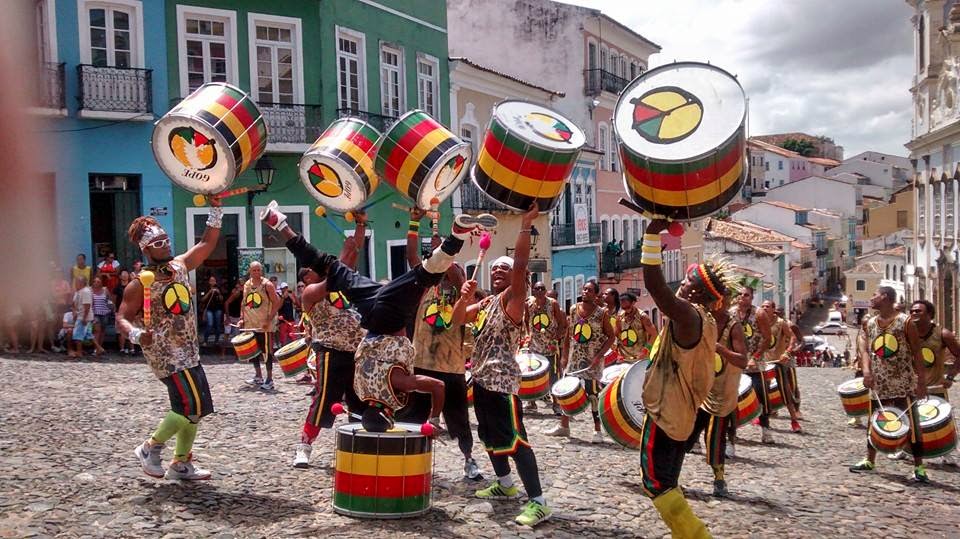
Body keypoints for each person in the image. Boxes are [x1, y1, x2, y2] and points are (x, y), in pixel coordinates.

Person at [265, 202, 494, 434]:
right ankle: (279, 222)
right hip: (369, 308)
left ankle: (456, 236)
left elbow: (437, 386)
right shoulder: (362, 389)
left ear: (387, 414)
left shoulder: (397, 385)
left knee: (425, 274)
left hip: (388, 318)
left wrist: (434, 419)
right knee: (324, 263)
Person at [636, 221, 737, 538]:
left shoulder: (689, 316)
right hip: (680, 415)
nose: (681, 282)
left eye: (687, 279)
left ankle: (695, 535)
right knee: (667, 480)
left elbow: (656, 287)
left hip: (668, 414)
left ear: (695, 291)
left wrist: (652, 235)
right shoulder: (703, 319)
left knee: (656, 482)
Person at [457, 204, 550, 527]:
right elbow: (455, 320)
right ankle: (506, 485)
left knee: (516, 441)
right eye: (494, 268)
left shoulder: (514, 298)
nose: (497, 271)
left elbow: (523, 264)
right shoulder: (486, 302)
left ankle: (539, 501)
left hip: (502, 384)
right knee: (489, 438)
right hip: (481, 381)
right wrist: (464, 297)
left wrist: (525, 225)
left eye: (504, 269)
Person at [118, 202, 222, 480]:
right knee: (190, 406)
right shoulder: (140, 283)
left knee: (195, 411)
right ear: (146, 248)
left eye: (166, 240)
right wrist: (137, 334)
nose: (165, 245)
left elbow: (206, 242)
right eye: (158, 243)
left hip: (189, 351)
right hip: (166, 355)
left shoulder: (180, 266)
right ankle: (150, 447)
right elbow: (122, 318)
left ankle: (180, 464)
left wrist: (215, 210)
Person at [397, 207, 482, 480]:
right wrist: (413, 222)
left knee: (459, 421)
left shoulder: (461, 290)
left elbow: (457, 273)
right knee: (413, 416)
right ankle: (409, 460)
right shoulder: (422, 285)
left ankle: (469, 459)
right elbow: (411, 255)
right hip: (421, 362)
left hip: (453, 366)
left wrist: (447, 255)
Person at [291, 229, 369, 468]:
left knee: (360, 401)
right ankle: (304, 446)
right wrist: (348, 248)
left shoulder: (340, 287)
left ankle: (360, 447)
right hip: (331, 351)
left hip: (357, 351)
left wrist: (359, 227)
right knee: (324, 399)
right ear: (307, 279)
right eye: (313, 271)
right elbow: (343, 265)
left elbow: (350, 259)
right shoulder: (311, 293)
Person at [849, 286, 927, 482]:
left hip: (903, 382)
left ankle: (919, 467)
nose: (871, 298)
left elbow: (917, 352)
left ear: (884, 297)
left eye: (874, 295)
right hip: (878, 382)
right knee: (874, 420)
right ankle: (869, 460)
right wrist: (866, 371)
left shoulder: (905, 322)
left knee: (911, 424)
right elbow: (866, 349)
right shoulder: (872, 323)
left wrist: (921, 382)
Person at [684, 291, 747, 498]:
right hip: (701, 389)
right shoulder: (705, 323)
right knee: (684, 433)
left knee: (714, 436)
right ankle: (669, 475)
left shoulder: (734, 327)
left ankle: (719, 478)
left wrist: (722, 350)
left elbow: (742, 360)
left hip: (722, 393)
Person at [889, 300, 960, 464]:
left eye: (918, 311)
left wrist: (950, 376)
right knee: (907, 419)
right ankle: (905, 449)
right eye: (912, 311)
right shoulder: (905, 334)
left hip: (935, 387)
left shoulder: (943, 334)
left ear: (929, 314)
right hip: (910, 386)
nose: (913, 314)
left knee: (939, 421)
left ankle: (946, 451)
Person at [546, 280, 615, 442]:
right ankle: (564, 426)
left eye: (589, 290)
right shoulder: (573, 309)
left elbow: (611, 337)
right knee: (566, 391)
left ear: (596, 294)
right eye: (584, 289)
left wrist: (599, 356)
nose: (585, 292)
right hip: (574, 358)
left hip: (592, 361)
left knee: (593, 394)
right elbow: (570, 333)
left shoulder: (601, 314)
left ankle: (597, 431)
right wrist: (564, 355)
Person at [731, 286, 774, 446]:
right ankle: (731, 431)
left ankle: (766, 429)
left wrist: (755, 357)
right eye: (740, 294)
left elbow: (767, 338)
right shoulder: (731, 313)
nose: (743, 297)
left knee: (760, 393)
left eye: (747, 295)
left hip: (755, 362)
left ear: (752, 297)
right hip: (736, 361)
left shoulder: (759, 314)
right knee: (732, 396)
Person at [524, 280, 567, 415]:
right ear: (533, 291)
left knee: (553, 375)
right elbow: (526, 321)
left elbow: (561, 323)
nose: (540, 291)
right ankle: (532, 402)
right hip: (534, 345)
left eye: (542, 288)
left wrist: (557, 337)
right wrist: (527, 335)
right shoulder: (529, 304)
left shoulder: (552, 303)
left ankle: (556, 403)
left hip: (550, 346)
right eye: (537, 289)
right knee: (532, 374)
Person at [761, 301, 802, 434]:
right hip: (763, 362)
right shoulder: (759, 322)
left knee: (785, 391)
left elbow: (793, 338)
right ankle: (763, 420)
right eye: (763, 306)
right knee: (763, 392)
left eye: (767, 306)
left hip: (778, 362)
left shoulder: (781, 323)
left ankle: (794, 420)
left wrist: (787, 352)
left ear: (773, 309)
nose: (764, 308)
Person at [240, 261, 281, 390]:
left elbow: (276, 302)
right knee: (253, 350)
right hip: (251, 323)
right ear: (250, 271)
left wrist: (269, 319)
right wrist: (242, 318)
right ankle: (258, 375)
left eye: (259, 270)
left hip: (265, 325)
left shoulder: (267, 285)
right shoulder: (247, 284)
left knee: (267, 351)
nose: (256, 272)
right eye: (254, 270)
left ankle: (270, 379)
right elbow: (244, 302)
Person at [616, 292, 657, 362]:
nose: (625, 309)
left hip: (641, 358)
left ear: (633, 303)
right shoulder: (619, 317)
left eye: (627, 306)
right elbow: (617, 335)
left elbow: (654, 334)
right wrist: (618, 353)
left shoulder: (642, 317)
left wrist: (646, 350)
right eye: (623, 307)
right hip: (625, 358)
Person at [70, 275, 94, 358]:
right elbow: (73, 304)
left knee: (78, 335)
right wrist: (74, 312)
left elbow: (87, 306)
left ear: (82, 283)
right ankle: (99, 348)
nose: (75, 284)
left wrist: (84, 318)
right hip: (79, 315)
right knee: (88, 334)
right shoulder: (78, 292)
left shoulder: (85, 291)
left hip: (84, 316)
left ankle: (79, 352)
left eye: (77, 282)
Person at [113, 271, 134, 355]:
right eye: (123, 274)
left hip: (131, 311)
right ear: (120, 276)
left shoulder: (132, 286)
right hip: (120, 311)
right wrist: (115, 310)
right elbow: (114, 299)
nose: (125, 276)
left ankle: (132, 349)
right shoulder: (117, 288)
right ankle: (122, 349)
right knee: (121, 331)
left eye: (126, 274)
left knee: (131, 329)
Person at [198, 276, 224, 346]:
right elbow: (202, 299)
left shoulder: (219, 288)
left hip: (218, 309)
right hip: (209, 309)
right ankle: (205, 340)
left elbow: (222, 300)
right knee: (210, 324)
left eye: (214, 280)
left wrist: (219, 293)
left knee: (218, 325)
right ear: (208, 282)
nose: (212, 282)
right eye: (211, 280)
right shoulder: (205, 288)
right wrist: (209, 292)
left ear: (216, 281)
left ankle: (216, 341)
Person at [90, 276, 111, 356]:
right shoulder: (91, 291)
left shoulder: (105, 290)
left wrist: (111, 305)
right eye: (95, 281)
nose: (96, 283)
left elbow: (109, 300)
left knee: (102, 331)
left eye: (98, 282)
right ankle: (96, 348)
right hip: (95, 313)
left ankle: (99, 347)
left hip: (104, 312)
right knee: (97, 330)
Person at [277, 282, 296, 346]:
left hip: (291, 320)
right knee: (283, 339)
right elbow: (279, 307)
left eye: (286, 288)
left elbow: (295, 303)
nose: (285, 290)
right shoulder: (279, 297)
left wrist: (292, 295)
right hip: (283, 321)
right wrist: (283, 297)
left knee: (293, 337)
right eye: (283, 288)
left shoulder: (290, 296)